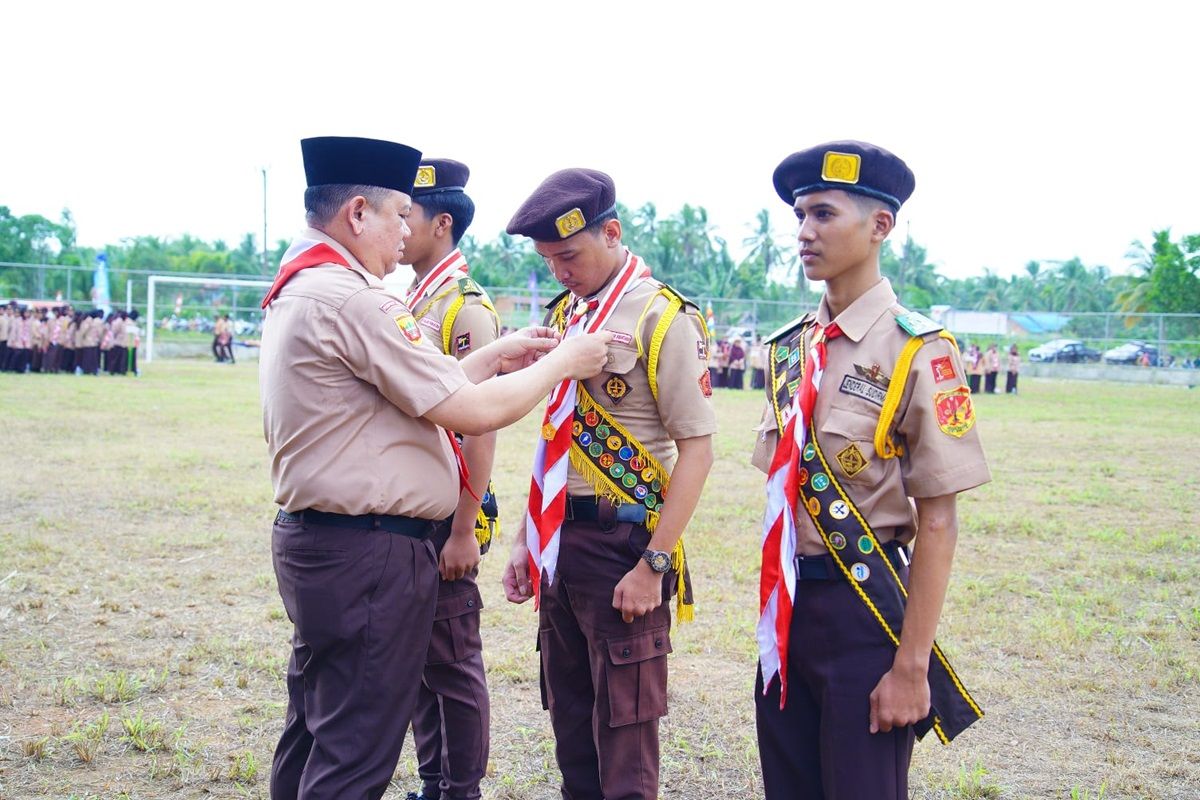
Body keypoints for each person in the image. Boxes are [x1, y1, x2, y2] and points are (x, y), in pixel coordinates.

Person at [259, 136, 612, 800]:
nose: (404, 231)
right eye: (397, 213)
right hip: (366, 554)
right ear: (357, 213)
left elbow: (400, 397)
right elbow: (469, 412)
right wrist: (562, 362)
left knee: (313, 727)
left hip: (324, 543)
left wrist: (496, 354)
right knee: (355, 751)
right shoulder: (356, 298)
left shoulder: (309, 284)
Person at [753, 141, 991, 799]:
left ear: (880, 226)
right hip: (786, 609)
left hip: (865, 616)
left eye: (824, 214)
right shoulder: (792, 349)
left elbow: (938, 521)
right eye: (799, 216)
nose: (804, 233)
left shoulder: (920, 350)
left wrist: (911, 667)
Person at [501, 168, 716, 800]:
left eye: (568, 254)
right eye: (547, 260)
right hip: (560, 541)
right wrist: (524, 539)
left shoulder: (662, 316)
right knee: (571, 724)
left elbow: (697, 452)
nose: (560, 271)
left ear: (612, 232)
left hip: (624, 548)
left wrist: (654, 564)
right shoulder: (568, 314)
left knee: (624, 733)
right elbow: (555, 437)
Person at [386, 158, 499, 800]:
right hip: (412, 510)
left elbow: (479, 428)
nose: (401, 227)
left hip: (445, 519)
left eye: (410, 215)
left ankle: (460, 790)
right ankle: (433, 783)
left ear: (443, 222)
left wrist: (464, 526)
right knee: (422, 666)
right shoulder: (412, 298)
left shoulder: (465, 309)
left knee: (452, 662)